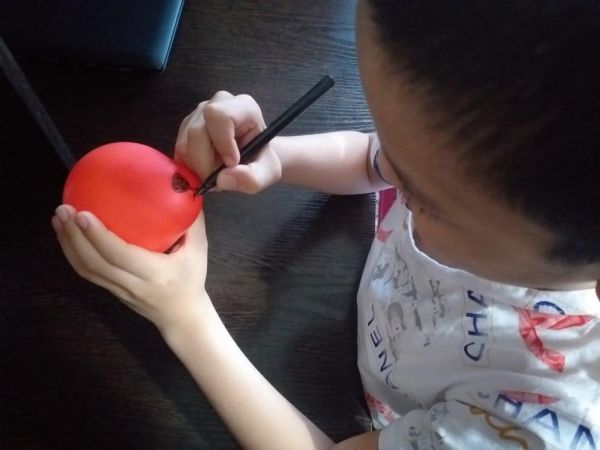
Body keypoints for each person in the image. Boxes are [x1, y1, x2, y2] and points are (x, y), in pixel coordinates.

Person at [51, 0, 600, 448]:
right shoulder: (478, 166)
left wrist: (185, 318)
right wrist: (277, 157)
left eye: (422, 198)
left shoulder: (537, 423)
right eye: (397, 153)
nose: (395, 181)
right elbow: (370, 159)